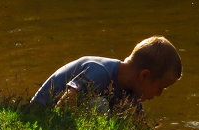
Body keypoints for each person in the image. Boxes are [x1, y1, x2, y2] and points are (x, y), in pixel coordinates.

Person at [31, 36, 182, 114]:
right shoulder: (100, 72)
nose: (160, 94)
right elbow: (64, 105)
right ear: (144, 75)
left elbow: (140, 127)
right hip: (42, 113)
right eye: (161, 87)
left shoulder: (129, 89)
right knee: (100, 105)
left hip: (69, 113)